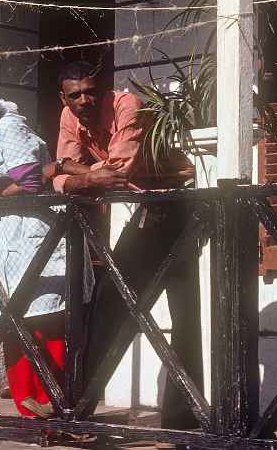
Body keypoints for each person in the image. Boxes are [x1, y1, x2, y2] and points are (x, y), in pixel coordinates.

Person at [48, 60, 201, 430]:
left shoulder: (125, 104)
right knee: (109, 302)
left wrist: (69, 171)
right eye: (75, 94)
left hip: (181, 202)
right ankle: (77, 406)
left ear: (102, 89)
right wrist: (75, 174)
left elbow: (118, 171)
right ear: (63, 97)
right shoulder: (70, 116)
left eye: (90, 91)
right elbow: (60, 173)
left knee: (185, 312)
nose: (84, 100)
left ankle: (182, 419)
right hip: (150, 205)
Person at [0, 83, 89, 419]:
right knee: (15, 318)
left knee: (47, 318)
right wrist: (7, 187)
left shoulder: (14, 129)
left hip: (37, 232)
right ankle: (26, 405)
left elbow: (28, 183)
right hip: (9, 237)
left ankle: (54, 403)